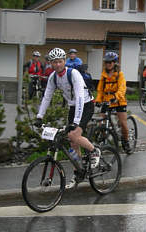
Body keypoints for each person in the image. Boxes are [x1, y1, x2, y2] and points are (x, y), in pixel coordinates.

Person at [34, 47, 100, 189]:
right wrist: (39, 116)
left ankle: (94, 150)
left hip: (86, 105)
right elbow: (47, 97)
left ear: (64, 61)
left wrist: (76, 122)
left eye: (60, 61)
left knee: (74, 134)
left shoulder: (74, 74)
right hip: (72, 107)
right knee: (72, 142)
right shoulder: (53, 77)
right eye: (54, 62)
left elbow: (81, 98)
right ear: (51, 63)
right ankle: (78, 172)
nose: (57, 65)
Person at [95, 51, 131, 154]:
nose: (108, 64)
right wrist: (98, 100)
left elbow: (122, 88)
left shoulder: (120, 74)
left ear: (115, 63)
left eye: (110, 62)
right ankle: (103, 138)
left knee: (123, 124)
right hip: (107, 101)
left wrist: (116, 96)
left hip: (119, 101)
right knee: (101, 120)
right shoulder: (104, 75)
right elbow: (100, 90)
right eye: (106, 62)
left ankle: (126, 141)